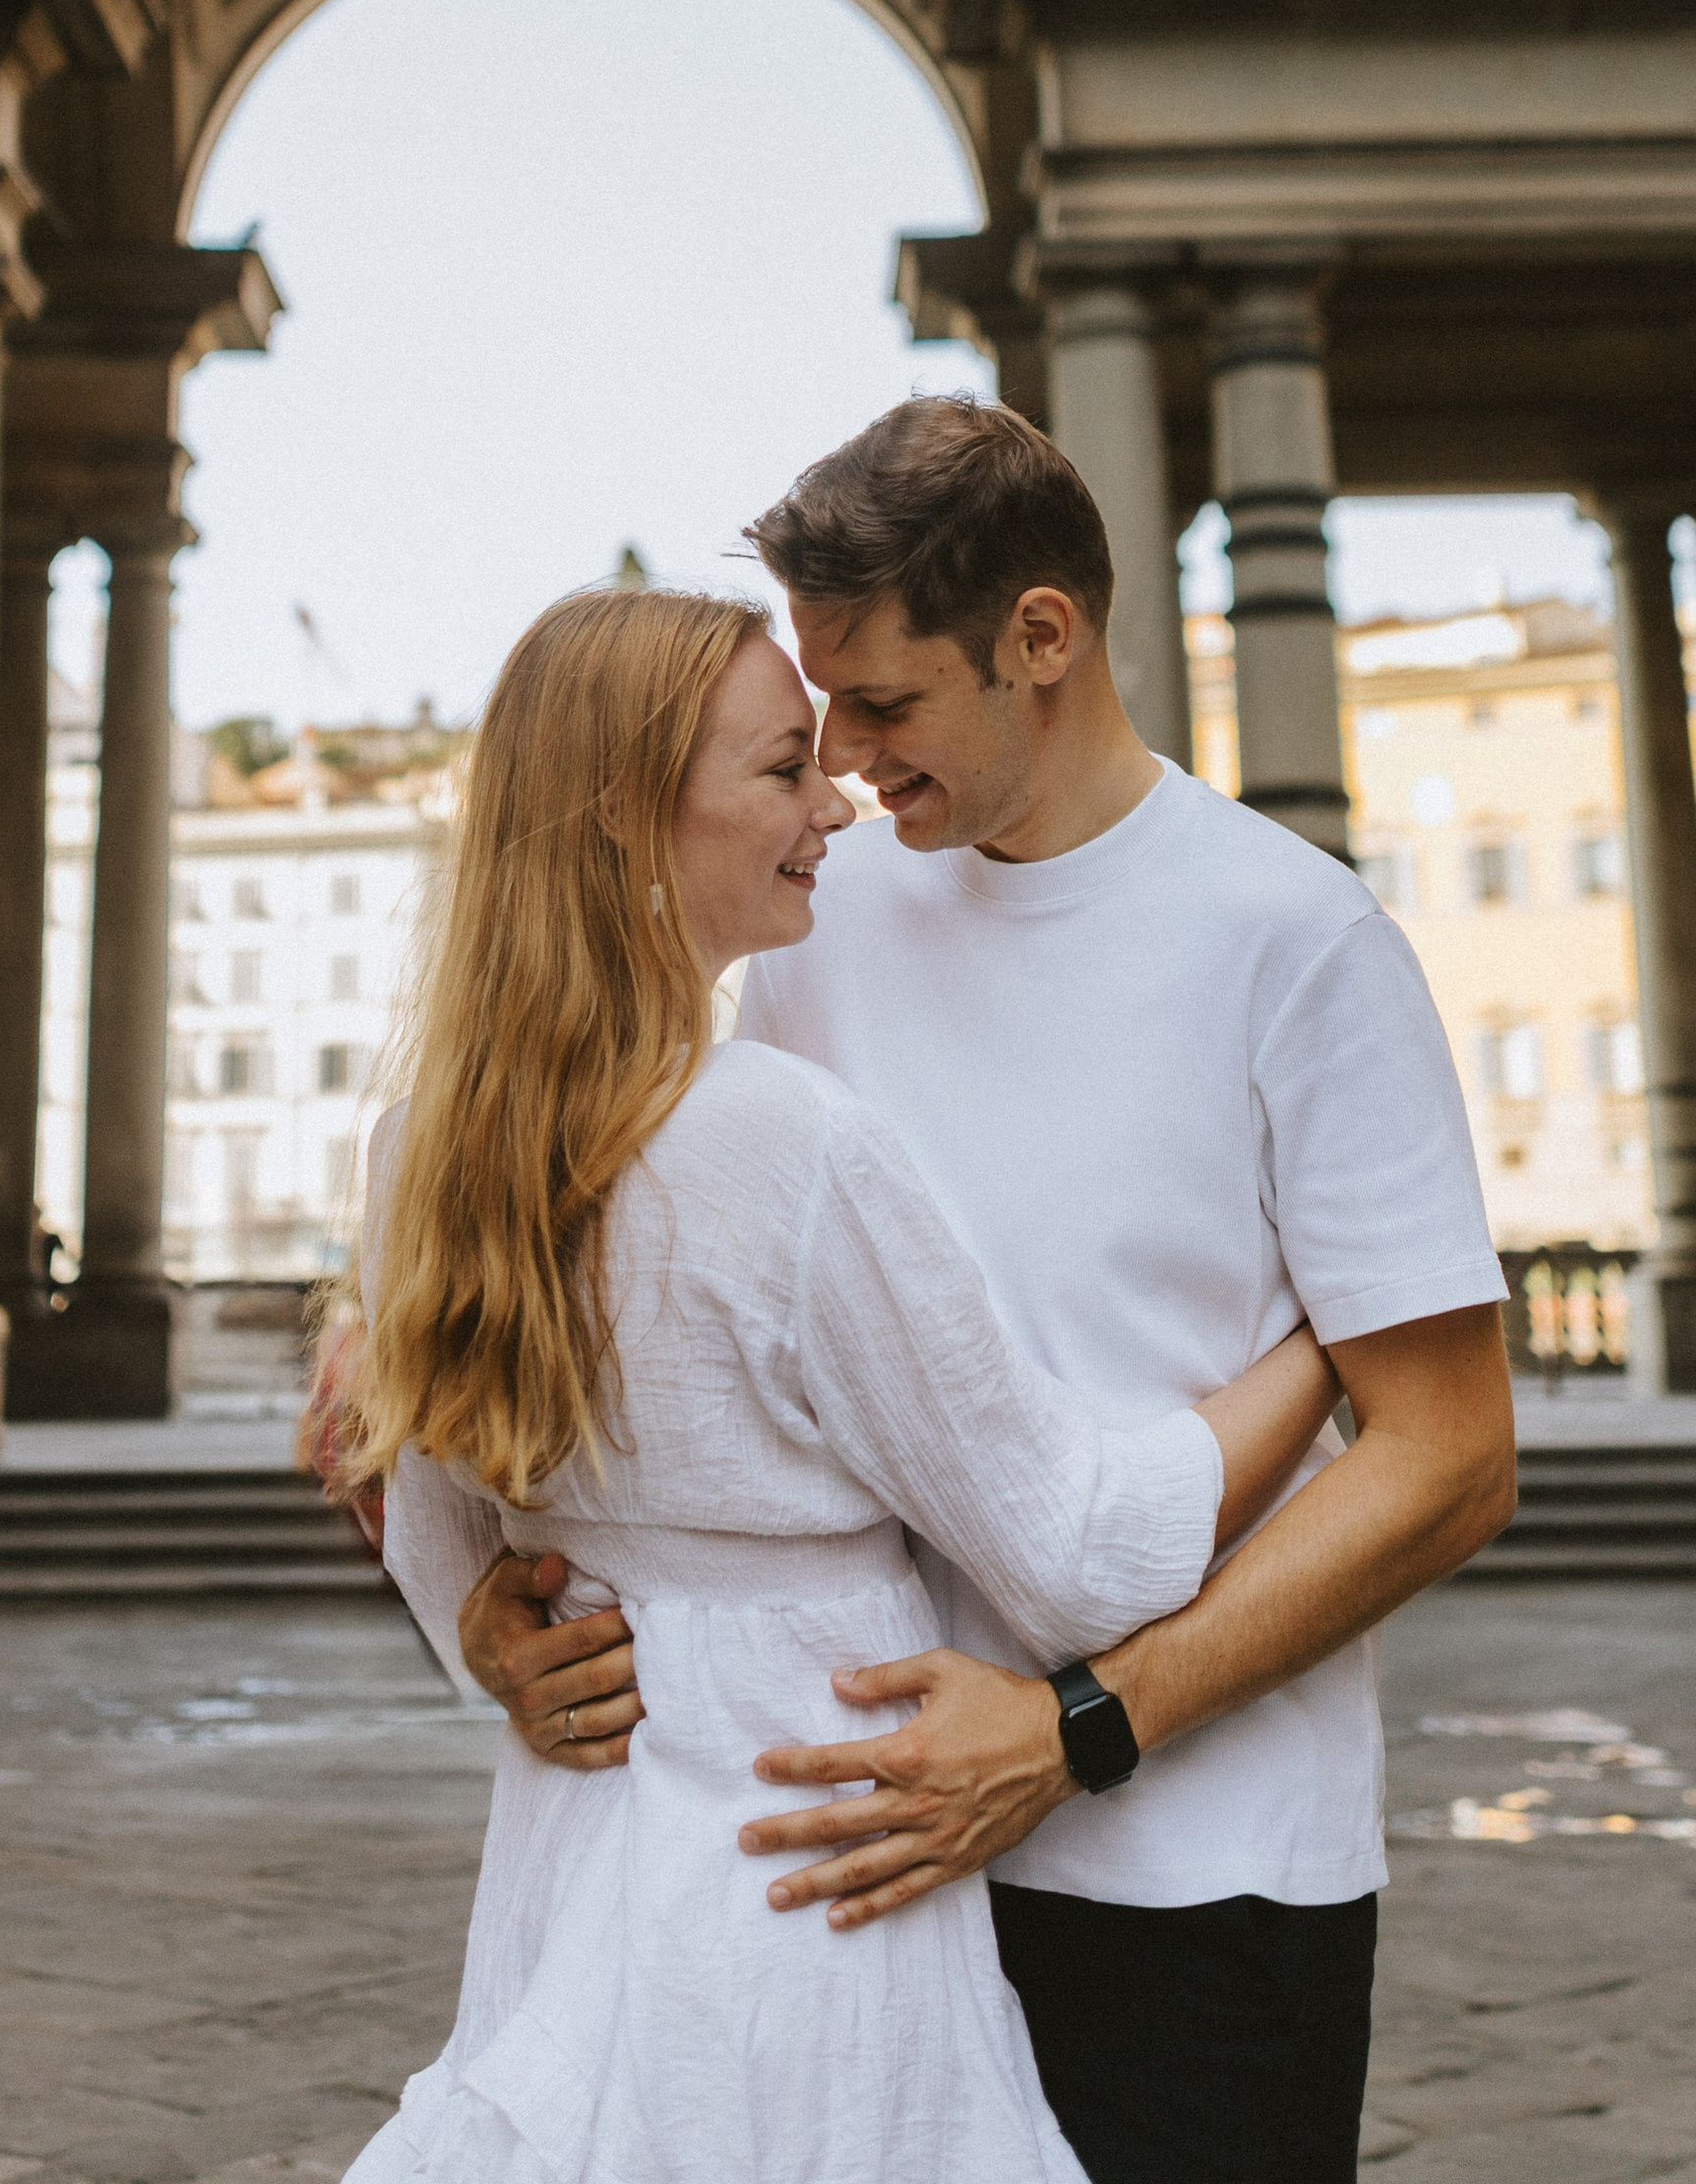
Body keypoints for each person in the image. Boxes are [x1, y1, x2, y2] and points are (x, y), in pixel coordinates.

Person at [456, 406, 1516, 2184]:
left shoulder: (1300, 945)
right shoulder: (817, 919)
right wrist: (498, 1599)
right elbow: (677, 1303)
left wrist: (1081, 1731)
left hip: (1197, 1867)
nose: (849, 766)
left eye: (881, 706)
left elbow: (1449, 1458)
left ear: (1042, 640)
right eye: (817, 718)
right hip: (850, 1871)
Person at [349, 583, 1345, 2184]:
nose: (835, 809)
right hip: (812, 1877)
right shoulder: (783, 1147)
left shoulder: (418, 1152)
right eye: (779, 773)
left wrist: (496, 1636)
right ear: (627, 823)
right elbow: (1074, 1549)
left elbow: (436, 1542)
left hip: (573, 1861)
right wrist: (1318, 1348)